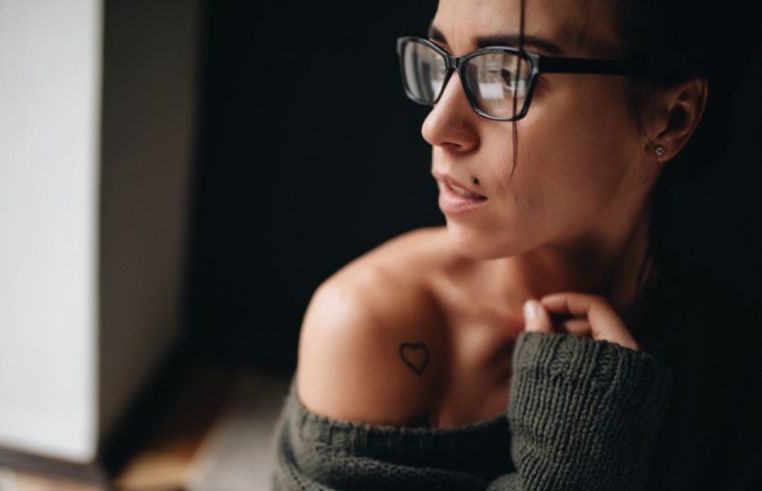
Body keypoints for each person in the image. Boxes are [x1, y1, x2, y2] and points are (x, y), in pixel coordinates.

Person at [271, 0, 762, 489]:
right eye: (439, 59)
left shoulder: (728, 356)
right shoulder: (373, 323)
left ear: (671, 118)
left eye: (505, 75)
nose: (436, 127)